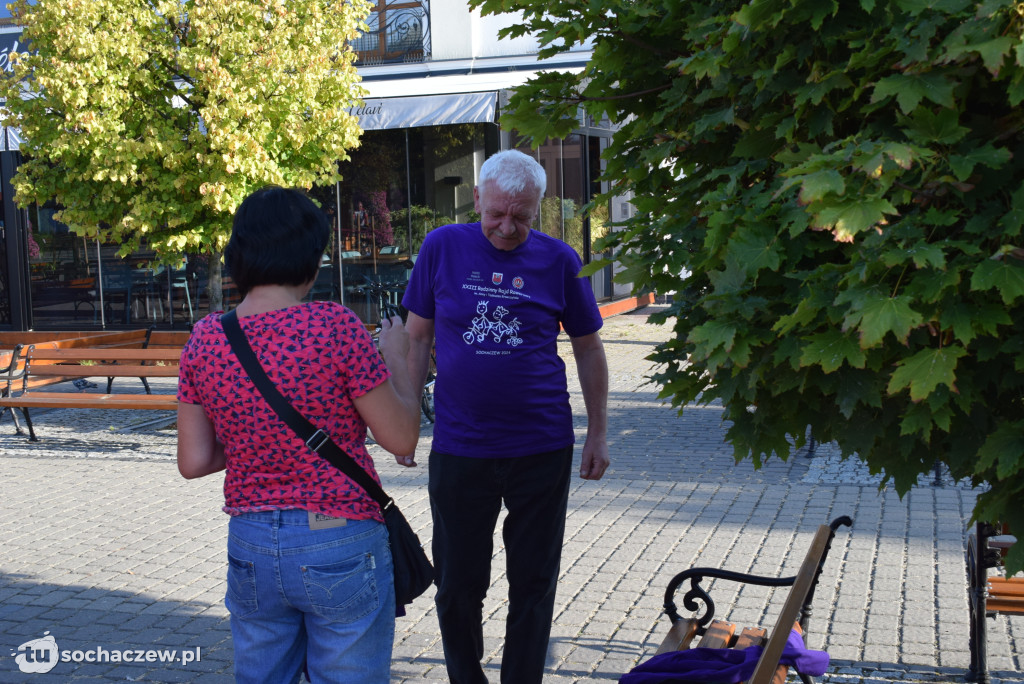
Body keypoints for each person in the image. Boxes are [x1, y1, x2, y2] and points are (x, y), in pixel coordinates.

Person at [176, 186, 421, 683]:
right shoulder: (334, 325)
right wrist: (401, 357)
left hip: (251, 543)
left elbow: (194, 461)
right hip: (340, 535)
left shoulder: (206, 338)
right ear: (312, 257)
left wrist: (256, 438)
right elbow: (402, 441)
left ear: (240, 254)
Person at [402, 149, 610, 683]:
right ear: (476, 198)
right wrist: (403, 422)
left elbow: (588, 348)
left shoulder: (560, 260)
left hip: (540, 446)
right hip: (460, 447)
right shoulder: (442, 247)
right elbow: (415, 339)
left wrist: (598, 433)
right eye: (496, 213)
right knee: (457, 583)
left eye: (522, 216)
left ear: (539, 208)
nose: (506, 227)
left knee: (534, 582)